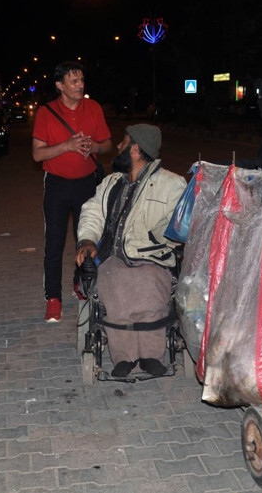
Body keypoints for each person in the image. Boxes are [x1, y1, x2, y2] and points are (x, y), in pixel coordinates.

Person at [75, 124, 186, 377]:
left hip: (152, 258)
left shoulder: (172, 184)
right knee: (112, 280)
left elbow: (178, 229)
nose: (118, 146)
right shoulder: (111, 182)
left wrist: (162, 232)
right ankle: (125, 356)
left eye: (123, 142)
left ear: (135, 149)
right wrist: (87, 240)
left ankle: (151, 355)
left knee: (147, 285)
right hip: (115, 258)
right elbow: (92, 212)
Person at [32, 61, 113, 323]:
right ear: (60, 86)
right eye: (74, 81)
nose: (80, 85)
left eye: (81, 80)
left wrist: (94, 148)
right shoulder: (46, 113)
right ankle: (53, 297)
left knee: (87, 238)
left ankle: (82, 286)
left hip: (87, 184)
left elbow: (108, 144)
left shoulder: (94, 108)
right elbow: (37, 154)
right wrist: (66, 145)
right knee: (54, 243)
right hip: (56, 184)